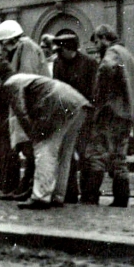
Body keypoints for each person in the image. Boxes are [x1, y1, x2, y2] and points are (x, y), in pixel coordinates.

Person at [2, 73, 90, 209]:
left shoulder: (10, 84)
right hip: (78, 103)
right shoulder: (25, 79)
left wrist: (33, 136)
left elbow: (21, 111)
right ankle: (58, 196)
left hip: (58, 103)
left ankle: (40, 196)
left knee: (45, 148)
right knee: (64, 154)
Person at [0, 19, 48, 201]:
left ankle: (29, 186)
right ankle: (26, 185)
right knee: (28, 147)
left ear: (10, 40)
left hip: (33, 105)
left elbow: (25, 79)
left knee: (31, 148)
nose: (2, 47)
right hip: (28, 104)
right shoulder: (21, 50)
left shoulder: (27, 48)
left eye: (3, 43)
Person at [83, 24, 134, 207]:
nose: (97, 46)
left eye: (97, 42)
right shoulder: (127, 54)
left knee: (97, 154)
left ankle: (90, 197)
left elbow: (106, 69)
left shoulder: (112, 53)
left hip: (110, 112)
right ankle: (122, 198)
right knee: (119, 157)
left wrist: (98, 100)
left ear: (104, 38)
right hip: (126, 113)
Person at [52, 32, 98, 202]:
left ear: (69, 48)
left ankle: (88, 194)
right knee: (66, 155)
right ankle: (70, 192)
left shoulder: (89, 64)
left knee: (85, 155)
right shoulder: (58, 63)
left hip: (84, 115)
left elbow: (94, 92)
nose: (58, 53)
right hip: (65, 116)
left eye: (61, 49)